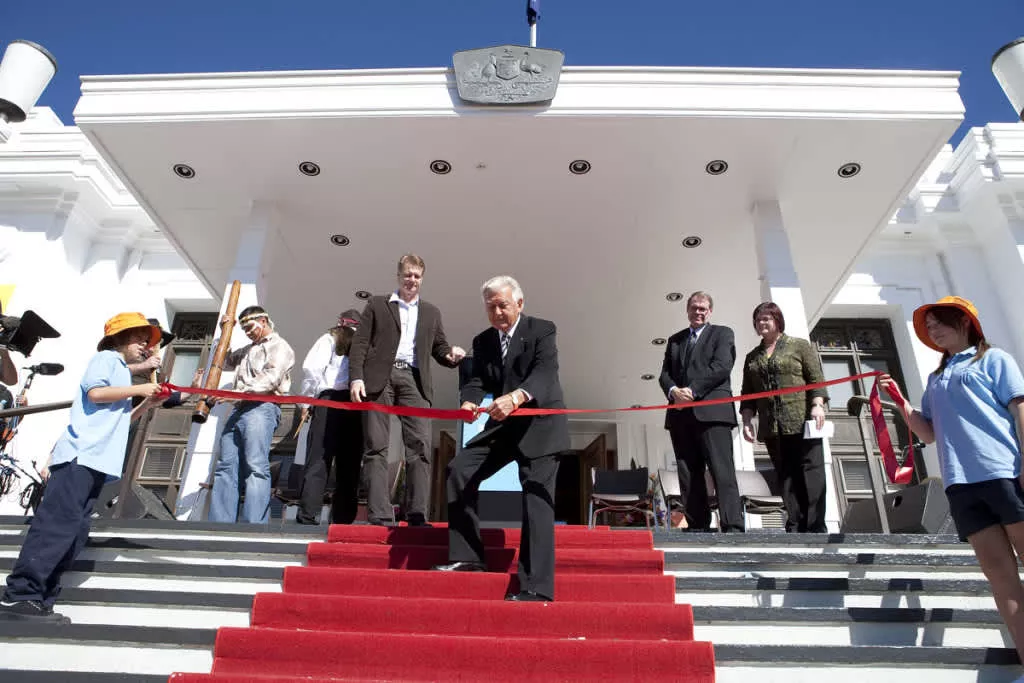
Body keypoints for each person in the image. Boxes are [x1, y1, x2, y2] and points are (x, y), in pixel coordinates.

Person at [880, 296, 1024, 676]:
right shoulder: (936, 378)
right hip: (961, 486)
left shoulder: (994, 360)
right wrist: (901, 404)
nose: (933, 330)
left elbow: (1020, 409)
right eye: (929, 327)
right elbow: (927, 432)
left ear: (964, 322)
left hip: (1005, 474)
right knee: (1002, 581)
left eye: (939, 322)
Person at [0, 312, 163, 623]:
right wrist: (141, 389)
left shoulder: (122, 374)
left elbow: (119, 422)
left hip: (98, 460)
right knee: (56, 526)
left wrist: (146, 404)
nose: (145, 345)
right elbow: (95, 394)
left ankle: (42, 598)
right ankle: (20, 595)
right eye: (140, 338)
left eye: (148, 340)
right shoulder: (106, 359)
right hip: (80, 457)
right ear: (120, 338)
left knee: (74, 532)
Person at [433, 276, 569, 603]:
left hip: (540, 425)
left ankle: (536, 587)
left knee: (535, 498)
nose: (497, 312)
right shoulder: (483, 341)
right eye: (491, 306)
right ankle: (468, 557)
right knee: (459, 469)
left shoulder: (542, 330)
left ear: (519, 304)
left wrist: (517, 396)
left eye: (503, 305)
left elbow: (545, 373)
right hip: (503, 427)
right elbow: (475, 379)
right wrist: (468, 400)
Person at [348, 254, 465, 526]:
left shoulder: (432, 312)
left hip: (415, 380)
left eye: (417, 276)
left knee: (421, 446)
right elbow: (360, 344)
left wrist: (450, 355)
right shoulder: (377, 304)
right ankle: (379, 514)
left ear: (422, 279)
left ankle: (416, 514)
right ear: (398, 276)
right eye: (407, 275)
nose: (412, 280)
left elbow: (439, 348)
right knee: (376, 446)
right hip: (380, 378)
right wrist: (356, 378)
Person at [739, 302, 829, 533]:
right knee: (786, 476)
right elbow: (748, 394)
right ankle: (795, 524)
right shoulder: (752, 357)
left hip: (802, 421)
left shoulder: (798, 346)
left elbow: (816, 379)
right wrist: (747, 420)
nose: (762, 323)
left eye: (767, 318)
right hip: (772, 427)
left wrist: (818, 405)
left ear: (778, 320)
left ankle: (815, 525)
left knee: (811, 472)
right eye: (758, 319)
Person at [659, 291, 744, 532]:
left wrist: (692, 390)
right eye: (694, 307)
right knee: (688, 473)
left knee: (721, 470)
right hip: (680, 416)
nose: (698, 311)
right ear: (687, 310)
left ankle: (732, 525)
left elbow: (722, 366)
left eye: (703, 308)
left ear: (710, 311)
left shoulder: (722, 333)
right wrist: (674, 390)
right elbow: (665, 374)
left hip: (713, 413)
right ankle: (697, 524)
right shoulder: (675, 340)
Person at [209, 305, 295, 525]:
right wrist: (224, 331)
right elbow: (225, 360)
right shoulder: (248, 349)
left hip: (262, 406)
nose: (247, 332)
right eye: (244, 329)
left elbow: (271, 379)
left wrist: (236, 393)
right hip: (239, 408)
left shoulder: (279, 346)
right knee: (226, 465)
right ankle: (220, 524)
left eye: (249, 327)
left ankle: (254, 525)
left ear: (264, 321)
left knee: (256, 465)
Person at [296, 310, 364, 525]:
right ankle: (343, 520)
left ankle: (308, 514)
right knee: (350, 463)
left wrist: (306, 402)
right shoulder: (364, 343)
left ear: (339, 323)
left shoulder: (329, 339)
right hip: (356, 402)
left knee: (319, 458)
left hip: (329, 399)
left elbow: (312, 371)